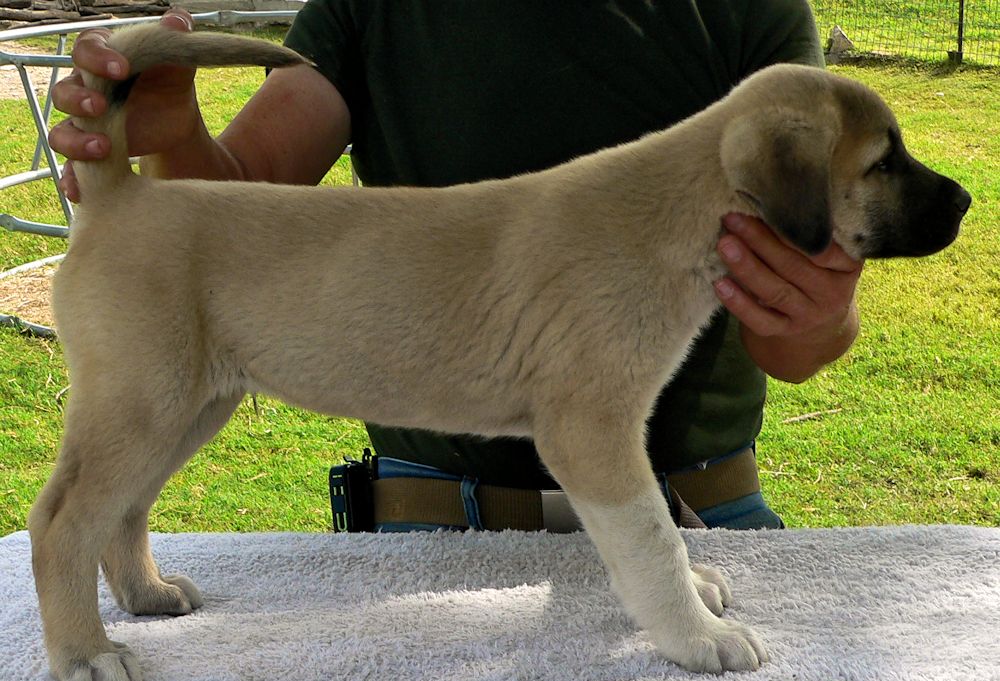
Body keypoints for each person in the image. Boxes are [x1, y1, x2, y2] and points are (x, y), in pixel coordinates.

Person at [49, 0, 864, 530]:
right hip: (430, 523)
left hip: (694, 519)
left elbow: (797, 338)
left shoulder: (746, 13)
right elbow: (233, 213)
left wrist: (821, 311)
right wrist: (167, 133)